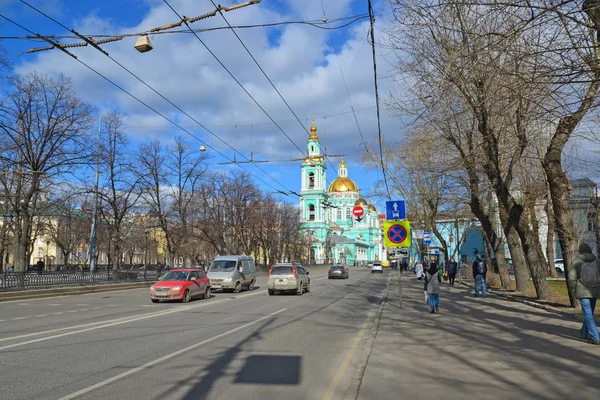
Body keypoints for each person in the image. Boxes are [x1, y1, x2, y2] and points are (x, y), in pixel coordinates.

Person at [568, 243, 600, 345]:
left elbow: (572, 278)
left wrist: (573, 290)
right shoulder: (597, 261)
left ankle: (596, 337)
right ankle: (584, 331)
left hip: (582, 291)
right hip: (594, 290)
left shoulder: (576, 262)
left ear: (580, 251)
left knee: (588, 313)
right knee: (589, 313)